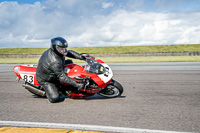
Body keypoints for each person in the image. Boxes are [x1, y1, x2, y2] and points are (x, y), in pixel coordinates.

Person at [36, 37, 86, 103]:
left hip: (54, 69)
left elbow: (69, 53)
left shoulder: (57, 52)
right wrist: (77, 84)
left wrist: (81, 57)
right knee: (55, 98)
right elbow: (62, 78)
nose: (64, 51)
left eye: (65, 48)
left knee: (70, 62)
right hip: (47, 79)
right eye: (62, 49)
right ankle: (47, 91)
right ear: (55, 48)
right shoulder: (55, 62)